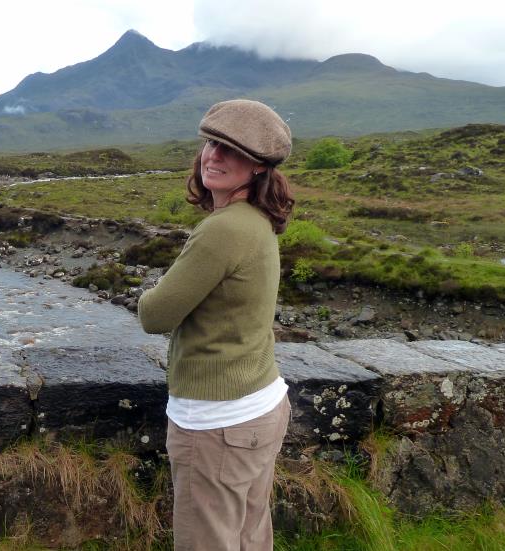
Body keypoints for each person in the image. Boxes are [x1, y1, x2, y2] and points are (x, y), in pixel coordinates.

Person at [137, 99, 294, 551]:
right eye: (211, 143)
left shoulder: (223, 229)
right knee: (248, 537)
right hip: (260, 406)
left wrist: (150, 288)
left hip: (216, 422)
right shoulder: (257, 221)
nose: (215, 156)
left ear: (260, 167)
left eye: (233, 151)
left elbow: (155, 314)